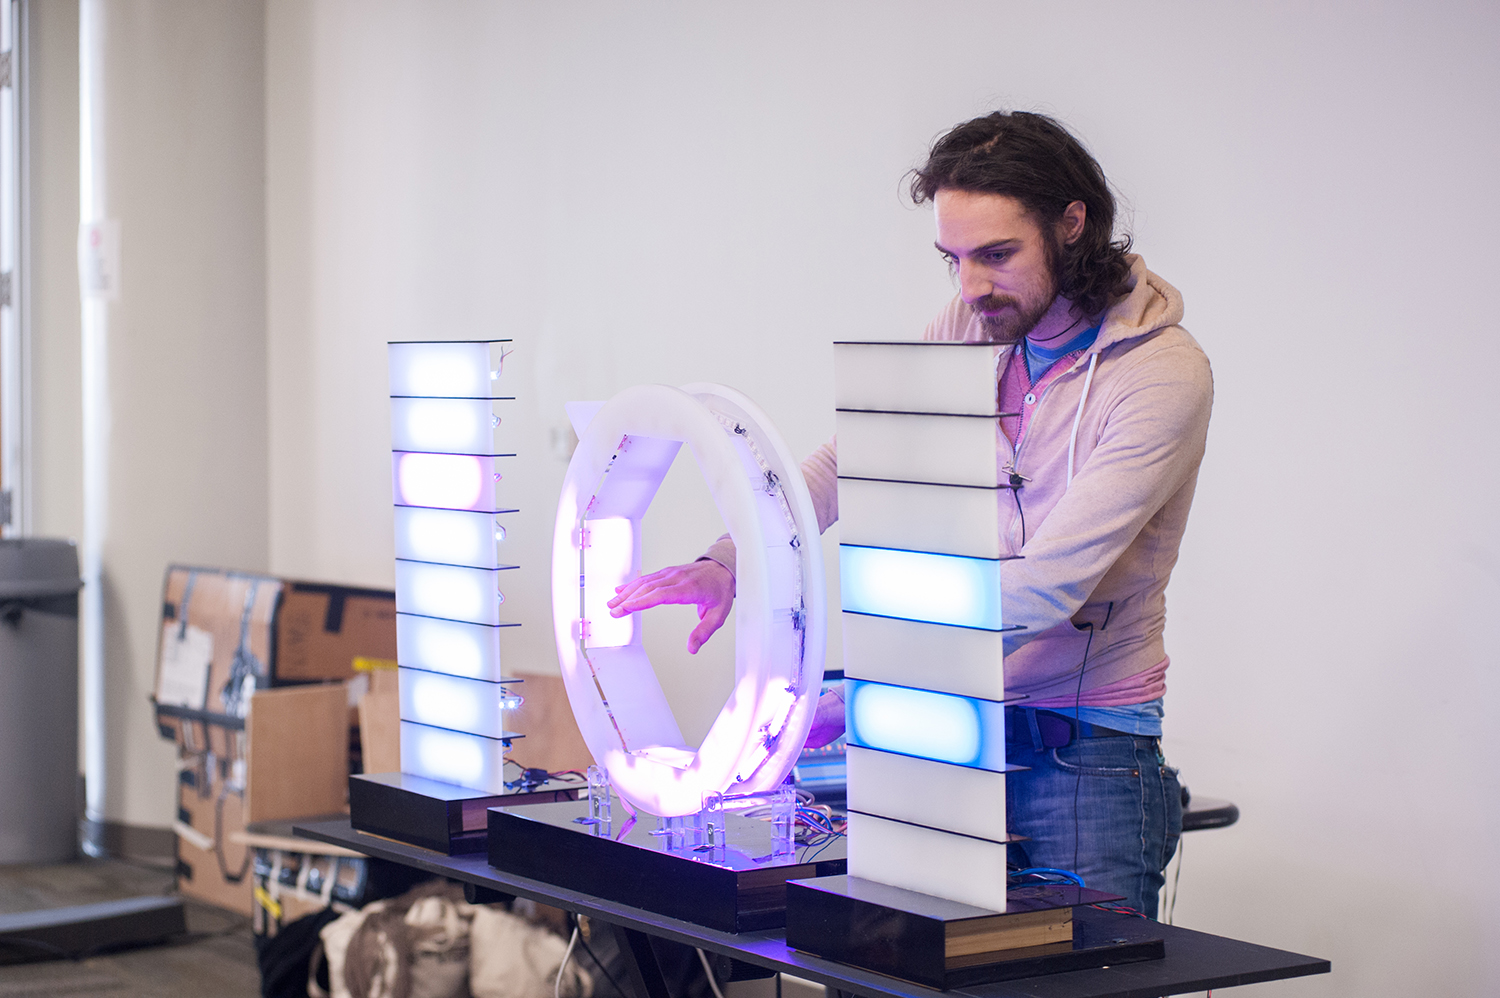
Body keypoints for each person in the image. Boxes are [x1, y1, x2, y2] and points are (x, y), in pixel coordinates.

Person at [607, 110, 1212, 919]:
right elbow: (849, 463)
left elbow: (1044, 588)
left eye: (996, 255)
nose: (971, 287)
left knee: (1078, 974)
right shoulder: (968, 329)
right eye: (953, 260)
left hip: (1086, 753)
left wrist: (866, 697)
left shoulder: (1161, 373)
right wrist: (729, 559)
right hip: (949, 732)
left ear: (1072, 224)